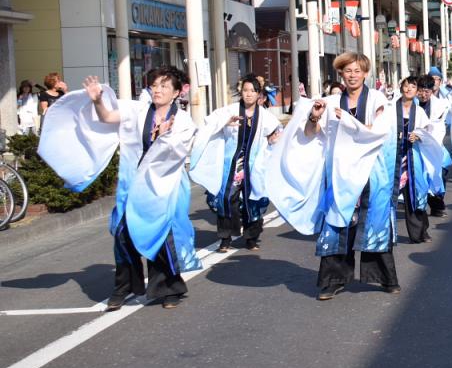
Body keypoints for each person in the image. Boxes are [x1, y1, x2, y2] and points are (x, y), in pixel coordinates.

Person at [38, 67, 200, 309]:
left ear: (177, 92)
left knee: (162, 236)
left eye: (165, 86)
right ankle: (123, 288)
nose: (158, 90)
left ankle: (169, 288)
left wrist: (163, 138)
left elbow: (177, 152)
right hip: (134, 184)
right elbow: (107, 118)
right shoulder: (138, 110)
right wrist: (98, 100)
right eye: (155, 84)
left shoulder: (184, 121)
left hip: (164, 187)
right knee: (123, 235)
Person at [266, 52, 402, 299]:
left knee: (373, 221)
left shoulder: (377, 99)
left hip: (371, 171)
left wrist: (348, 121)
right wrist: (314, 115)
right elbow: (310, 133)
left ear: (365, 73)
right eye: (348, 71)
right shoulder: (331, 102)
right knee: (337, 224)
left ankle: (384, 277)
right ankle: (333, 280)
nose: (353, 75)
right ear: (341, 74)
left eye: (357, 71)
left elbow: (379, 131)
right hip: (340, 173)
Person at [190, 74, 281, 254]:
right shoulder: (229, 111)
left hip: (254, 166)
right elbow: (209, 125)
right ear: (241, 91)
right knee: (226, 200)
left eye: (253, 91)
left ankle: (251, 238)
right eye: (245, 90)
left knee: (253, 201)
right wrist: (225, 122)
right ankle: (225, 238)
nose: (248, 94)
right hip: (231, 165)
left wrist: (273, 141)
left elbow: (275, 135)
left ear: (258, 94)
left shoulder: (264, 116)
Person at [393, 76, 447, 244]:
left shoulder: (420, 112)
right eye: (406, 86)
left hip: (413, 157)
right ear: (401, 87)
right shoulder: (390, 108)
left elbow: (429, 133)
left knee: (415, 194)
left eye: (413, 87)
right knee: (387, 196)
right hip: (392, 156)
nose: (409, 89)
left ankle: (419, 232)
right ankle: (385, 234)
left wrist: (418, 135)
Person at [415, 75, 452, 218]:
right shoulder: (410, 103)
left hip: (434, 144)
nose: (423, 95)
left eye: (427, 91)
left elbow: (437, 128)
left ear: (432, 91)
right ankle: (419, 206)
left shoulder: (440, 106)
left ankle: (437, 205)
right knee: (420, 177)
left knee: (437, 174)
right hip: (415, 146)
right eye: (420, 91)